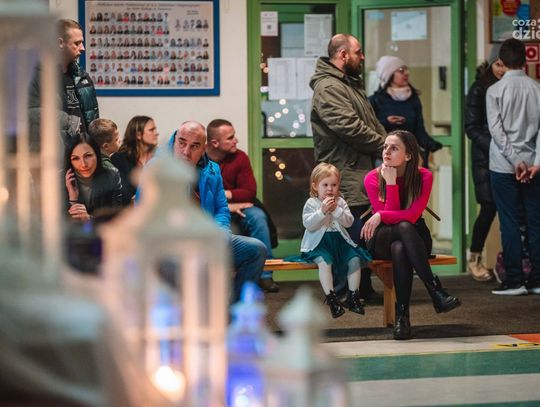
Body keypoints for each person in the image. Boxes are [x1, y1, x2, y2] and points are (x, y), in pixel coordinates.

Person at [360, 130, 461, 340]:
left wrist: (380, 214)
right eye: (385, 147)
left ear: (408, 155)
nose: (386, 152)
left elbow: (413, 215)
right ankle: (435, 291)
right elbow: (391, 220)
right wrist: (390, 184)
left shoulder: (424, 176)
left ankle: (402, 319)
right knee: (401, 231)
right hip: (382, 237)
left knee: (400, 245)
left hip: (414, 235)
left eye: (394, 148)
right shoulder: (372, 178)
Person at [310, 33, 386, 300]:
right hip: (344, 170)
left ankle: (361, 288)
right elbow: (350, 128)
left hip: (358, 169)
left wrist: (387, 143)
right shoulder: (329, 88)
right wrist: (386, 146)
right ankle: (343, 293)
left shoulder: (348, 84)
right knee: (346, 231)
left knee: (358, 231)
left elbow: (371, 123)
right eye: (358, 52)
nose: (362, 57)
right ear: (343, 55)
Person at [166, 121, 266, 303]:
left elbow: (221, 208)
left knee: (256, 249)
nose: (186, 151)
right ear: (174, 141)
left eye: (194, 146)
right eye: (182, 142)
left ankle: (237, 310)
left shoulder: (212, 170)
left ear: (203, 149)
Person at [486, 38, 540, 296]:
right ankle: (537, 280)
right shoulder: (537, 88)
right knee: (535, 221)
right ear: (525, 59)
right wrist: (535, 162)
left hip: (503, 165)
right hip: (534, 166)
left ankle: (515, 280)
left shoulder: (495, 91)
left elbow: (497, 132)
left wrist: (515, 160)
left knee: (508, 222)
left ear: (501, 61)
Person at [206, 119, 279, 293]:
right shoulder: (201, 161)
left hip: (242, 207)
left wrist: (223, 194)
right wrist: (225, 199)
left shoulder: (240, 157)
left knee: (258, 216)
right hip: (215, 209)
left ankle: (265, 275)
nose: (236, 140)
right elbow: (203, 196)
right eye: (230, 138)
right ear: (215, 143)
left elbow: (249, 192)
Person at [301, 163, 371, 318]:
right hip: (319, 243)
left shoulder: (340, 202)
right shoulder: (312, 203)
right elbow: (308, 224)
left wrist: (337, 210)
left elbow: (349, 222)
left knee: (355, 259)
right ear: (315, 186)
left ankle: (353, 296)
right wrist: (322, 211)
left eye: (333, 185)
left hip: (339, 242)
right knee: (325, 262)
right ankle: (332, 299)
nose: (329, 189)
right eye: (325, 185)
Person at [464, 47, 505, 281]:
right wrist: (495, 146)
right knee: (488, 207)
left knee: (511, 211)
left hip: (506, 156)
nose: (502, 69)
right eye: (497, 64)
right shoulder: (479, 88)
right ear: (490, 65)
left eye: (505, 64)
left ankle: (510, 261)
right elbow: (471, 127)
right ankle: (474, 257)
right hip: (485, 157)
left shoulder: (508, 86)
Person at [29, 19, 99, 144]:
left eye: (82, 43)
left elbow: (92, 117)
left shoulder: (82, 77)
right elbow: (29, 113)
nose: (82, 48)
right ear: (60, 43)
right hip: (55, 149)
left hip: (83, 150)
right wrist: (67, 121)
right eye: (77, 43)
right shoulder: (36, 76)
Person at [369, 56, 443, 166]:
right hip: (384, 157)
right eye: (401, 70)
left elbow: (419, 130)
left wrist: (431, 145)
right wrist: (386, 121)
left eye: (406, 69)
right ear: (389, 75)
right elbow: (370, 127)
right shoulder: (375, 100)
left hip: (409, 155)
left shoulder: (413, 99)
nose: (406, 73)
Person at [64, 133, 122, 222]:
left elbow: (116, 220)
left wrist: (89, 219)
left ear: (97, 155)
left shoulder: (112, 176)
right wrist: (73, 200)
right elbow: (56, 224)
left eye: (88, 156)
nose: (83, 164)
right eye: (75, 158)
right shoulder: (58, 180)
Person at [111, 115, 159, 206]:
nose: (156, 133)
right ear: (138, 135)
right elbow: (123, 193)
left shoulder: (160, 158)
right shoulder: (119, 159)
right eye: (151, 130)